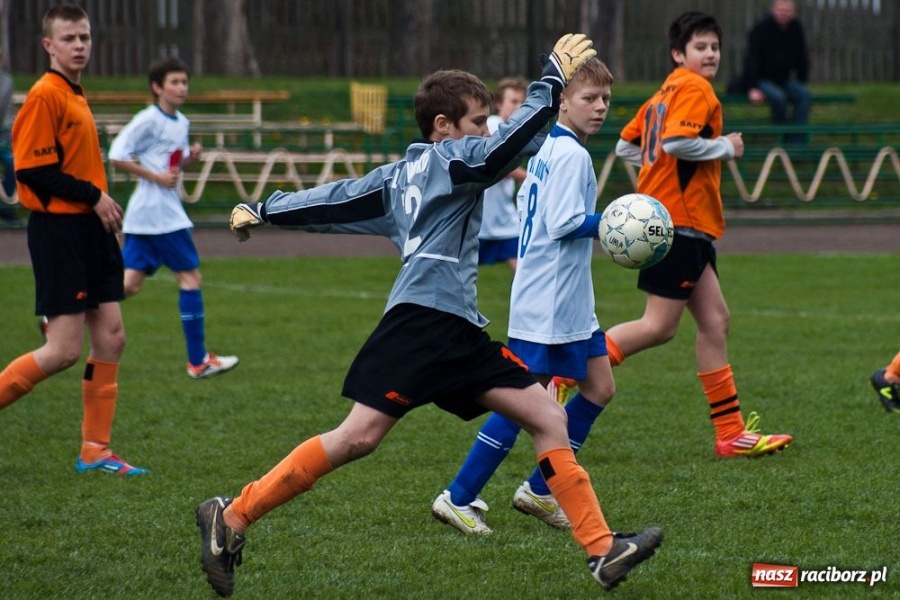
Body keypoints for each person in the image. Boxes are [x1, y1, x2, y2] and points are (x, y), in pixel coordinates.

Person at [196, 35, 663, 597]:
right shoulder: (454, 159)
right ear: (442, 126)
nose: (486, 131)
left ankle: (601, 549)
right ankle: (234, 514)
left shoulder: (397, 177)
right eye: (477, 121)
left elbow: (335, 199)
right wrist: (550, 81)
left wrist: (266, 208)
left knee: (547, 417)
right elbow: (499, 154)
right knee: (358, 436)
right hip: (424, 324)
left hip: (456, 329)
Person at [432, 58, 615, 535]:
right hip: (549, 301)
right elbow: (563, 223)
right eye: (588, 98)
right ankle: (458, 496)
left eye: (605, 100)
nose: (599, 108)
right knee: (522, 402)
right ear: (562, 102)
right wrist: (615, 224)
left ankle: (539, 488)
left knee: (599, 387)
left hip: (568, 297)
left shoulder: (552, 148)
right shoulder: (570, 155)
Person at [610, 11, 792, 458]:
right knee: (657, 326)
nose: (709, 54)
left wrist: (656, 174)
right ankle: (565, 372)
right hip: (680, 224)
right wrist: (724, 148)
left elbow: (626, 145)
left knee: (715, 321)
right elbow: (674, 144)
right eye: (700, 47)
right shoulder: (693, 87)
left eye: (714, 47)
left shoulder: (663, 91)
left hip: (681, 223)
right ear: (678, 54)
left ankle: (730, 434)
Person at [0, 4, 147, 476]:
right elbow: (32, 172)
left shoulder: (74, 94)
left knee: (112, 337)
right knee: (62, 350)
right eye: (69, 38)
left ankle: (95, 450)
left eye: (84, 36)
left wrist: (100, 209)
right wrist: (95, 197)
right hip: (61, 229)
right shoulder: (45, 96)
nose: (79, 45)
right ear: (48, 45)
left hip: (91, 229)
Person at [108, 57, 238, 379]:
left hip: (149, 215)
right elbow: (116, 156)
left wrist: (189, 160)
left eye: (184, 82)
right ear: (157, 87)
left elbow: (171, 168)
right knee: (190, 279)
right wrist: (155, 177)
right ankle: (198, 361)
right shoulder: (147, 119)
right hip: (160, 215)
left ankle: (61, 316)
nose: (182, 88)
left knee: (129, 284)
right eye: (175, 82)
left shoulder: (181, 122)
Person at [477, 77, 528, 271]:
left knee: (522, 269)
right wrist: (532, 178)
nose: (519, 106)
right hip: (484, 218)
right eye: (513, 101)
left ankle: (530, 302)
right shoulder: (494, 125)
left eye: (522, 102)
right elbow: (499, 164)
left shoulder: (511, 131)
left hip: (503, 217)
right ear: (499, 104)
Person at [742, 0, 811, 142]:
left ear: (793, 12)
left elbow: (802, 57)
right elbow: (751, 58)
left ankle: (796, 142)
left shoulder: (796, 29)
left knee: (804, 95)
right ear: (773, 10)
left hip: (784, 79)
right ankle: (782, 134)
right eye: (780, 9)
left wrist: (801, 80)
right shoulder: (761, 28)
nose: (783, 13)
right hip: (762, 79)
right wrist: (752, 87)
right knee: (779, 97)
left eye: (787, 10)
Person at [0, 49, 18, 224]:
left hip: (2, 137)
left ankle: (5, 208)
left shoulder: (6, 81)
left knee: (12, 163)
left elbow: (4, 109)